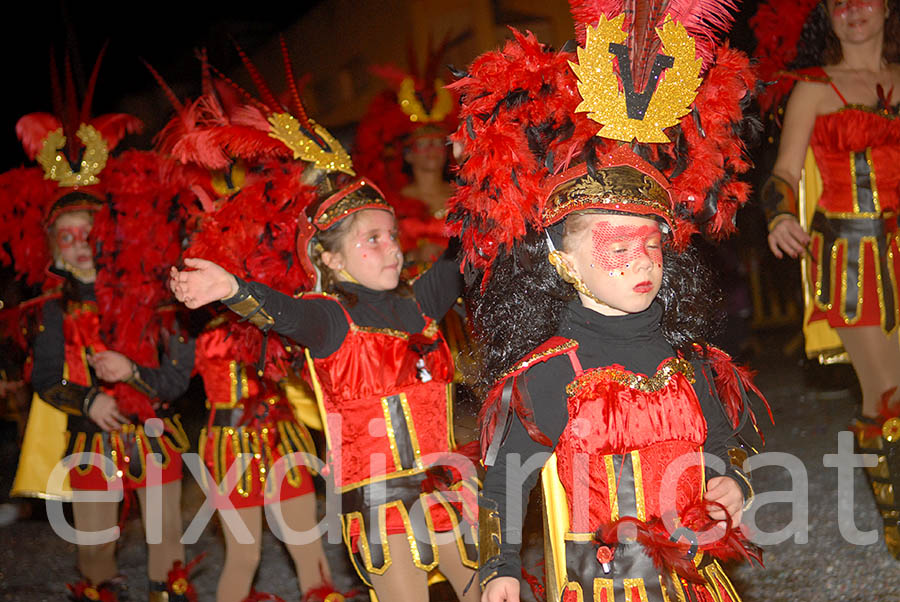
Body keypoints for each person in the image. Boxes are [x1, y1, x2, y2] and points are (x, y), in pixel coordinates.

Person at [445, 6, 766, 600]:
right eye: (617, 247)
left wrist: (730, 485)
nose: (642, 260)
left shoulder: (692, 361)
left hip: (697, 582)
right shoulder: (545, 378)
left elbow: (721, 447)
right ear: (563, 260)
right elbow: (502, 488)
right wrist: (501, 569)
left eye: (651, 243)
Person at [166, 46, 478, 602]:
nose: (391, 250)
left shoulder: (424, 300)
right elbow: (283, 312)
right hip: (382, 510)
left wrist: (486, 162)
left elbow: (469, 248)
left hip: (449, 492)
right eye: (372, 240)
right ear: (331, 259)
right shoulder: (329, 320)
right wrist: (232, 288)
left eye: (392, 235)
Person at [150, 47, 338, 601]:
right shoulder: (203, 327)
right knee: (246, 553)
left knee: (308, 549)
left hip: (280, 432)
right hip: (230, 444)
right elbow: (176, 372)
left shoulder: (276, 298)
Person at [757, 0, 900, 557]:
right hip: (850, 259)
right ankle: (895, 522)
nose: (853, 10)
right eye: (839, 2)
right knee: (887, 393)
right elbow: (784, 174)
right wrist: (780, 214)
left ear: (887, 7)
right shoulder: (813, 88)